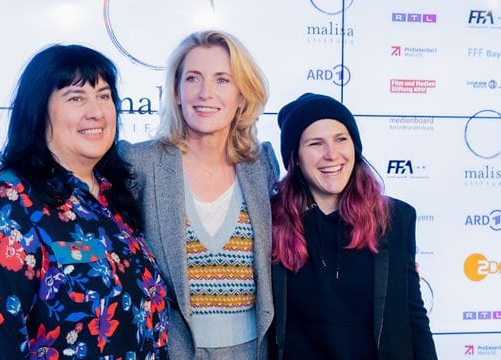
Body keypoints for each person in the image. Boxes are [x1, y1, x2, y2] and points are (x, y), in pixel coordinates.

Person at [0, 44, 169, 359]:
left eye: (103, 95)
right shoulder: (10, 202)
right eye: (76, 98)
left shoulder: (115, 197)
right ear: (38, 110)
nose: (96, 111)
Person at [119, 30, 279, 359]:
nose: (206, 93)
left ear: (241, 95)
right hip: (172, 350)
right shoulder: (139, 164)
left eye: (223, 80)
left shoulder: (261, 166)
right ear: (176, 91)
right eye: (193, 78)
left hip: (254, 352)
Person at [270, 93, 437, 360]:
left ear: (354, 146)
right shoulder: (271, 221)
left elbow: (414, 315)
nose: (331, 154)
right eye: (315, 143)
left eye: (341, 139)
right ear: (295, 157)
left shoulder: (395, 218)